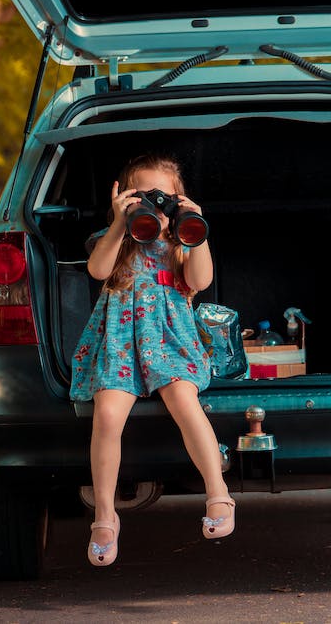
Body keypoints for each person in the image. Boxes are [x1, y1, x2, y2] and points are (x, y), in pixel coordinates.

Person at [69, 153, 235, 567]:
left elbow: (200, 281)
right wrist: (117, 223)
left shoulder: (181, 243)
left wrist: (194, 225)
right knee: (106, 414)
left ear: (179, 200)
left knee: (183, 400)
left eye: (164, 197)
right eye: (144, 195)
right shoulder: (118, 241)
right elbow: (96, 269)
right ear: (124, 197)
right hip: (122, 346)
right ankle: (105, 516)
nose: (155, 206)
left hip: (170, 342)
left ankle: (218, 492)